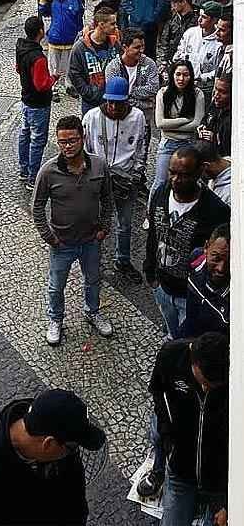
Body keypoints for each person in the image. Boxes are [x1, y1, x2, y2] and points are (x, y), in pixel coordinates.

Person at [0, 388, 106, 526]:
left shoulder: (54, 432)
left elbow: (74, 502)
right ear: (48, 444)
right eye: (72, 447)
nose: (74, 452)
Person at [32, 115, 113, 345]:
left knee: (93, 280)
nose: (67, 146)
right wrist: (49, 236)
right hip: (62, 243)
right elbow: (37, 205)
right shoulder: (48, 171)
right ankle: (55, 319)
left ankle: (92, 311)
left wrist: (104, 227)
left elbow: (108, 199)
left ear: (83, 138)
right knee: (56, 286)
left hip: (91, 241)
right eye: (62, 142)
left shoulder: (99, 165)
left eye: (72, 141)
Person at [145, 146, 230, 339]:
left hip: (191, 295)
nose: (176, 180)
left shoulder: (216, 210)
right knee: (171, 330)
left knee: (187, 339)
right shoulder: (160, 193)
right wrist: (150, 272)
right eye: (172, 173)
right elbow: (153, 233)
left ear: (199, 172)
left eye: (183, 175)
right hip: (162, 287)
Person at [149, 333, 229, 526]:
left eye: (213, 387)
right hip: (181, 471)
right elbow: (157, 391)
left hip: (220, 479)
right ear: (193, 363)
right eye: (205, 383)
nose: (207, 389)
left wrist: (225, 502)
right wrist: (168, 436)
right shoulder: (170, 355)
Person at [83, 77, 145, 284]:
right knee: (95, 223)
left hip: (126, 181)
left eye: (119, 102)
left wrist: (136, 176)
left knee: (125, 224)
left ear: (128, 100)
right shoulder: (91, 117)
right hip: (98, 180)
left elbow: (142, 149)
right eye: (110, 102)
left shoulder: (138, 117)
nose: (114, 106)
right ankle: (94, 261)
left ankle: (123, 260)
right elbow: (85, 149)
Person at [105, 27, 159, 185]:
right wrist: (138, 99)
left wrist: (129, 92)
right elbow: (116, 97)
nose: (141, 51)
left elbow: (153, 88)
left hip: (144, 120)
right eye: (137, 47)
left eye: (142, 46)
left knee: (142, 151)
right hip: (120, 120)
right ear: (125, 47)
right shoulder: (113, 67)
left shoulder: (149, 64)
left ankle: (138, 180)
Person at [150, 61, 205, 199]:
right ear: (172, 75)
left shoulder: (197, 94)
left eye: (185, 75)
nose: (181, 79)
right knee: (161, 182)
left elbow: (196, 124)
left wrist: (171, 126)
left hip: (189, 143)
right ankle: (151, 213)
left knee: (189, 182)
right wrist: (186, 120)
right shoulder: (163, 93)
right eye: (178, 74)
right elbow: (160, 123)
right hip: (168, 143)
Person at [16, 16, 57, 190]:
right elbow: (41, 85)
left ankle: (23, 170)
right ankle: (33, 178)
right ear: (40, 31)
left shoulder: (21, 47)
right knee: (38, 140)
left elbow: (18, 69)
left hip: (25, 100)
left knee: (24, 135)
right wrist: (53, 78)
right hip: (38, 104)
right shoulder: (38, 57)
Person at [38, 0, 85, 102]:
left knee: (70, 66)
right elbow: (44, 14)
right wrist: (42, 3)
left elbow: (80, 14)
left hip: (72, 39)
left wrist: (80, 32)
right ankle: (53, 89)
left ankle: (69, 86)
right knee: (53, 66)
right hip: (54, 38)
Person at [68, 7, 121, 116]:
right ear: (101, 25)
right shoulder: (80, 47)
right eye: (112, 24)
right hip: (91, 104)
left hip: (112, 101)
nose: (116, 27)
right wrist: (89, 93)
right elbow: (74, 73)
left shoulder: (115, 44)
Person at [184, 223, 230, 336]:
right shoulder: (196, 259)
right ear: (206, 247)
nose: (221, 268)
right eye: (216, 258)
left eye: (231, 263)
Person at [173, 1, 222, 106]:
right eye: (199, 15)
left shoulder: (219, 42)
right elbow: (178, 55)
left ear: (214, 20)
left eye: (204, 17)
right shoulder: (190, 33)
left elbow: (218, 70)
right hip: (184, 85)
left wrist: (200, 77)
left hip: (206, 89)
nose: (199, 20)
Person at [197, 74, 232, 157]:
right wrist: (202, 128)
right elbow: (205, 120)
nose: (216, 95)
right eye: (216, 89)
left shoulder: (233, 120)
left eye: (222, 92)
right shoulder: (215, 104)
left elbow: (228, 153)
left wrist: (215, 139)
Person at [162, 0, 198, 64]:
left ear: (184, 2)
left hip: (189, 60)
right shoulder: (173, 18)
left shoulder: (197, 19)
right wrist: (165, 59)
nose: (172, 5)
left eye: (175, 2)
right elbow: (165, 39)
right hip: (171, 60)